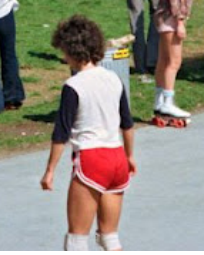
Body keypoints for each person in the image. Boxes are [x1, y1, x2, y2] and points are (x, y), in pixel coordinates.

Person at [41, 15, 137, 253]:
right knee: (110, 237)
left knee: (77, 240)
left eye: (64, 51)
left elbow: (61, 132)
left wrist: (50, 170)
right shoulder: (114, 79)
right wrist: (129, 156)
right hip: (117, 159)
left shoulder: (74, 86)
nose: (63, 57)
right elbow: (127, 123)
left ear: (72, 50)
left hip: (92, 159)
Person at [153, 0, 194, 120]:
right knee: (174, 62)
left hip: (164, 20)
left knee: (163, 60)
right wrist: (180, 22)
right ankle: (168, 101)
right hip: (171, 20)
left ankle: (159, 99)